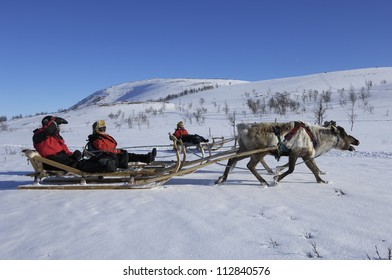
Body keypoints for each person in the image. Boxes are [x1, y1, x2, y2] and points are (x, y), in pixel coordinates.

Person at [33, 115, 116, 172]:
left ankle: (105, 163)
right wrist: (55, 121)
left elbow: (64, 149)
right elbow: (48, 130)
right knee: (80, 165)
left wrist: (72, 155)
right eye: (57, 125)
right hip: (54, 163)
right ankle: (105, 166)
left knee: (83, 162)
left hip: (62, 160)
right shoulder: (39, 136)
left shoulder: (55, 137)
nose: (58, 127)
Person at [87, 120, 157, 169]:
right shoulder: (95, 139)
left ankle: (148, 158)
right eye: (101, 129)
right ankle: (123, 164)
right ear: (96, 130)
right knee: (124, 156)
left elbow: (111, 146)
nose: (103, 131)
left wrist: (118, 151)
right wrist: (117, 151)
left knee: (130, 155)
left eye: (104, 128)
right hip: (105, 158)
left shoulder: (101, 137)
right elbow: (104, 149)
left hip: (110, 155)